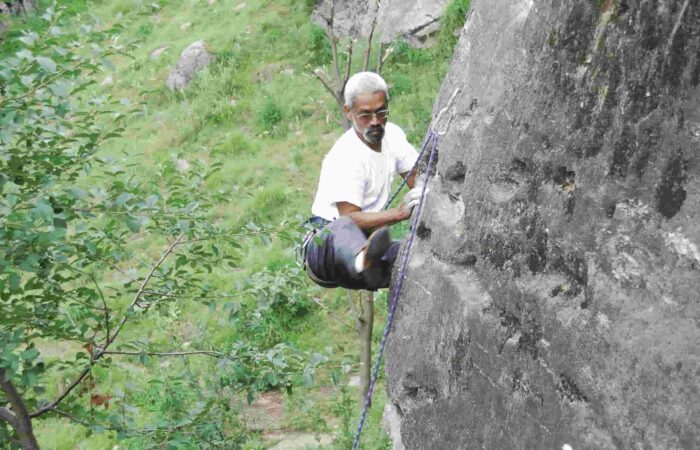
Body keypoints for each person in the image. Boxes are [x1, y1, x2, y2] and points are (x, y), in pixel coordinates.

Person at [302, 72, 424, 291]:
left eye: (381, 112)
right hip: (326, 249)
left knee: (415, 256)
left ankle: (371, 268)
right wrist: (399, 213)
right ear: (348, 112)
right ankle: (364, 260)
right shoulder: (345, 155)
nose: (375, 122)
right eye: (365, 115)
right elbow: (350, 218)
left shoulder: (393, 135)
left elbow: (419, 179)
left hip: (363, 253)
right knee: (343, 225)